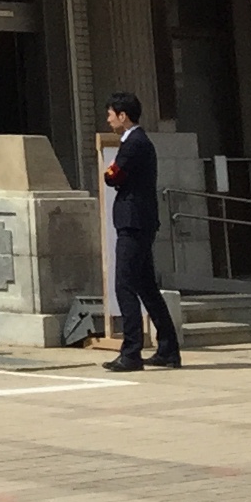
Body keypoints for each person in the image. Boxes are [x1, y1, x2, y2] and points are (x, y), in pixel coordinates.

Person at [101, 92, 180, 371]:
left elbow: (113, 176)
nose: (109, 119)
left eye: (111, 114)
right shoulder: (138, 142)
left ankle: (131, 351)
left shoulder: (133, 143)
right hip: (140, 220)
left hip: (133, 221)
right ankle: (168, 348)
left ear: (124, 116)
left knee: (124, 283)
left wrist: (109, 173)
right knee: (146, 285)